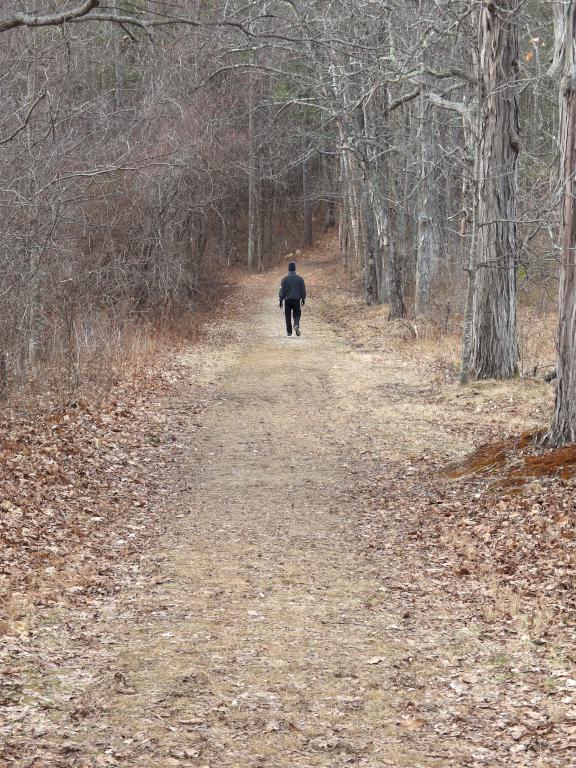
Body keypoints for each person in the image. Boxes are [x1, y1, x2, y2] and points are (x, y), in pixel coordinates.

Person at [279, 262, 306, 337]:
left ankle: (289, 332)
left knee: (287, 315)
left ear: (288, 270)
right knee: (297, 313)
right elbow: (303, 290)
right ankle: (296, 324)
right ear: (295, 269)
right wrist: (303, 298)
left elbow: (282, 290)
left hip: (287, 300)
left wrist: (281, 300)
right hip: (297, 299)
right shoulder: (300, 279)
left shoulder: (285, 279)